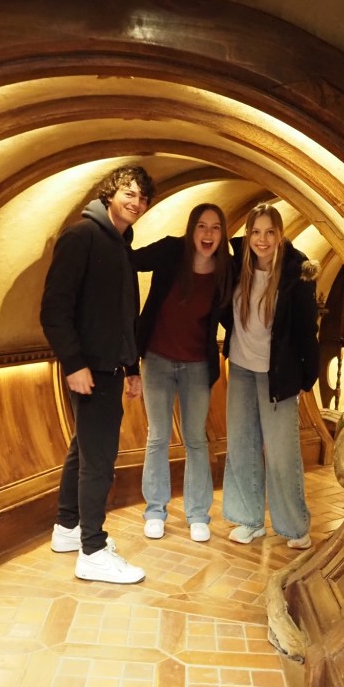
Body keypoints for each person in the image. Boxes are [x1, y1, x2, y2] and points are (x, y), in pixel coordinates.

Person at [40, 164, 156, 584]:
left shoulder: (121, 244)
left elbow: (124, 316)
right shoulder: (81, 237)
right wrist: (74, 364)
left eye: (142, 197)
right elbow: (54, 311)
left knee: (85, 449)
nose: (136, 202)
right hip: (89, 369)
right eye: (129, 192)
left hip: (110, 367)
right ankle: (92, 550)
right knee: (100, 460)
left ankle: (68, 527)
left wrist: (132, 367)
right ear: (110, 193)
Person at [132, 203, 234, 543]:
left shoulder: (226, 269)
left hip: (196, 365)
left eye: (215, 227)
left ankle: (198, 515)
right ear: (192, 229)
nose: (208, 234)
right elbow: (130, 260)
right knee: (158, 436)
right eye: (202, 226)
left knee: (195, 439)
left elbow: (234, 313)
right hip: (157, 360)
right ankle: (155, 511)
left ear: (223, 234)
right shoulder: (170, 251)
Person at [221, 202, 319, 550]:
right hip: (241, 369)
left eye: (269, 232)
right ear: (248, 235)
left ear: (280, 235)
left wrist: (307, 377)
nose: (262, 240)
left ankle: (295, 527)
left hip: (278, 375)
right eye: (256, 232)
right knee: (241, 446)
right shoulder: (236, 265)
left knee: (281, 453)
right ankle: (249, 520)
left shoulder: (296, 273)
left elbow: (307, 329)